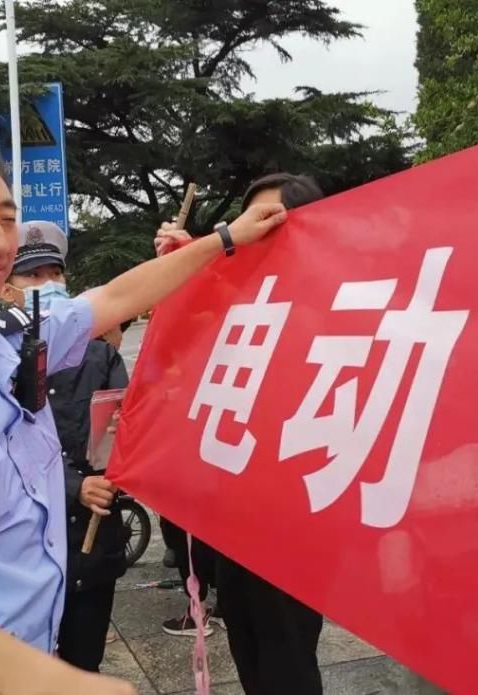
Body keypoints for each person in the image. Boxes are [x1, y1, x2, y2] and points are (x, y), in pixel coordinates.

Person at [0, 130, 287, 695]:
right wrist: (54, 684)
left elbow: (114, 297)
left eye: (6, 218)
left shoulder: (12, 337)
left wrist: (225, 239)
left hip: (44, 649)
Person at [155, 172, 326, 695]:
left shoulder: (328, 304)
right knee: (248, 645)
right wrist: (187, 264)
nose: (252, 232)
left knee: (286, 657)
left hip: (292, 522)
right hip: (230, 518)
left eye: (267, 222)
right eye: (245, 223)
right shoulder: (241, 303)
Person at [4, 220, 130, 672]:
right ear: (7, 290)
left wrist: (111, 476)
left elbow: (121, 434)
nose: (47, 285)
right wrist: (74, 484)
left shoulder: (102, 355)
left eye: (54, 274)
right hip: (25, 554)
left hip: (90, 546)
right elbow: (0, 450)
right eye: (32, 276)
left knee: (83, 665)